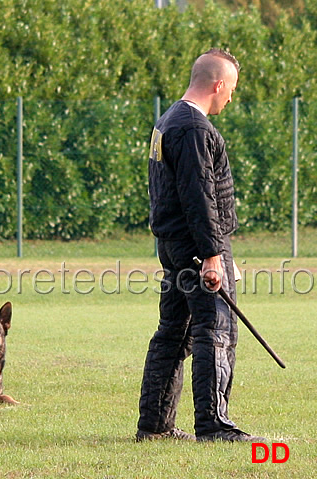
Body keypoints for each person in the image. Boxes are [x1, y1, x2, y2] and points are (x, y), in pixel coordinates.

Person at [137, 48, 265, 442]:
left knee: (173, 333)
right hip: (197, 247)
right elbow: (198, 196)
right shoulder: (194, 129)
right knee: (216, 331)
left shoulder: (168, 120)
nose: (231, 97)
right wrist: (213, 255)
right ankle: (214, 426)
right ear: (218, 84)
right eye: (232, 90)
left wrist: (222, 251)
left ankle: (155, 426)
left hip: (175, 244)